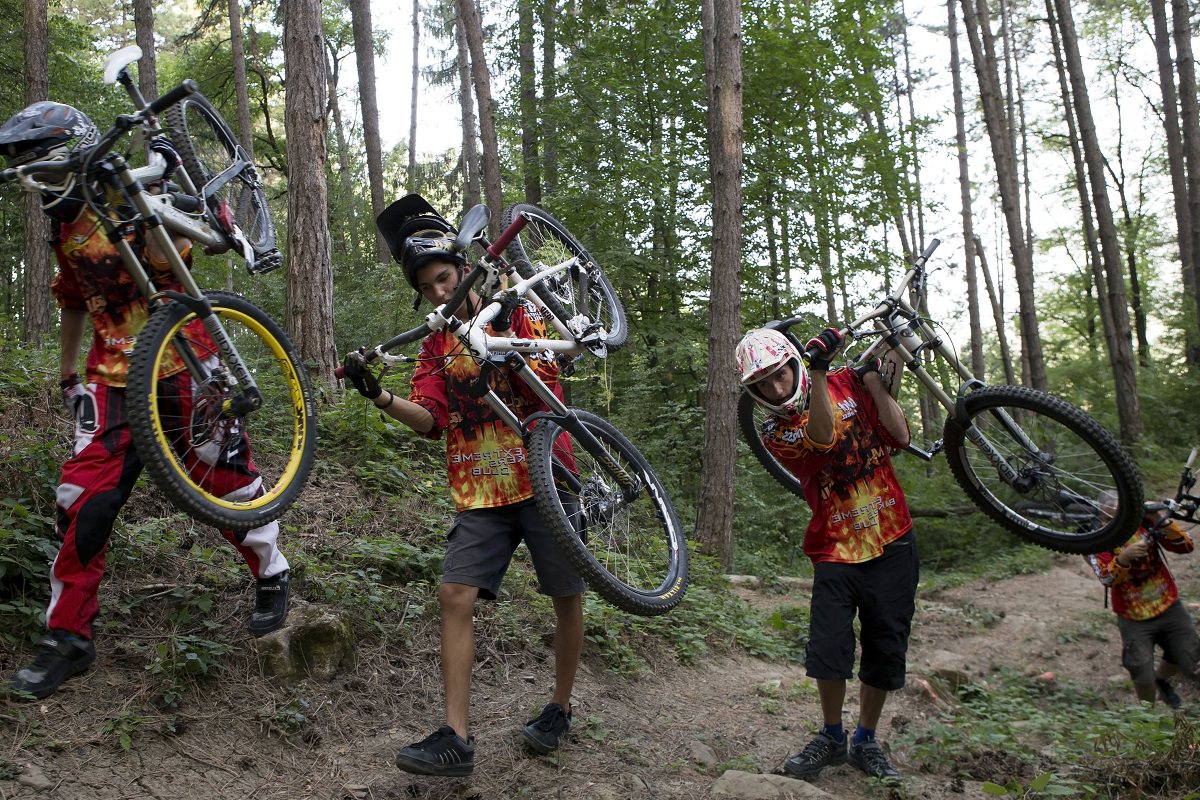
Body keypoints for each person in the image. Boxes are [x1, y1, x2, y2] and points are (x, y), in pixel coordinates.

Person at [1, 102, 290, 701]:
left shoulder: (134, 193)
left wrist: (150, 205)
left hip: (183, 357)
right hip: (110, 377)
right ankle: (68, 637)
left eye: (45, 169)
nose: (40, 183)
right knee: (81, 498)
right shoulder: (63, 222)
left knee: (225, 476)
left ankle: (271, 574)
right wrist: (66, 372)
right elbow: (73, 294)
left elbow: (172, 260)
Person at [341, 194, 585, 777]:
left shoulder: (513, 311)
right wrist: (377, 394)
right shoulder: (432, 347)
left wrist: (495, 347)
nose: (438, 293)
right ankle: (455, 736)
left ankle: (560, 706)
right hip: (481, 488)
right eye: (426, 287)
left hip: (545, 473)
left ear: (464, 268)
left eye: (444, 278)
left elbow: (550, 377)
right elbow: (431, 419)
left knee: (565, 595)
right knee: (455, 594)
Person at [735, 325, 916, 785]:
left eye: (780, 374)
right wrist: (817, 373)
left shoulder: (845, 382)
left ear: (793, 363)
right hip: (835, 549)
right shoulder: (776, 430)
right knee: (830, 649)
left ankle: (866, 741)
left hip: (893, 536)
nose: (776, 388)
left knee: (885, 646)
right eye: (763, 383)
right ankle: (832, 735)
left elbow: (899, 435)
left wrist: (873, 380)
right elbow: (824, 437)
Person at [1086, 492, 1198, 708]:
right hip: (1133, 617)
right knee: (1140, 668)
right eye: (1108, 519)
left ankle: (1162, 681)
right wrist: (1123, 559)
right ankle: (1147, 715)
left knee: (1188, 656)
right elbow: (1106, 578)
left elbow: (1186, 546)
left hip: (1168, 605)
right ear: (1101, 518)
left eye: (1118, 517)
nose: (1114, 523)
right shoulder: (1097, 539)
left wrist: (1159, 519)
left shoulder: (1145, 524)